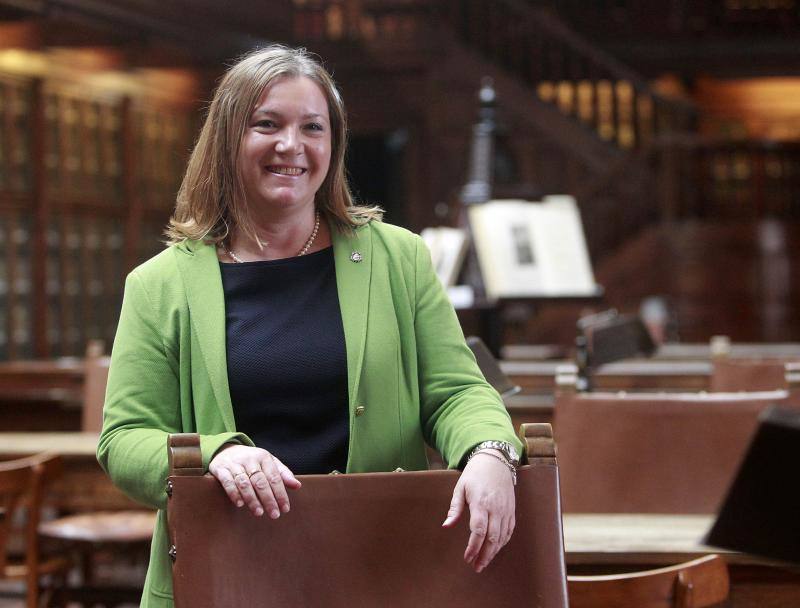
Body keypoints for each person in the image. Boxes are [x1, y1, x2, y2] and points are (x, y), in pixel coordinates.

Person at [97, 44, 523, 608]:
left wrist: (490, 451)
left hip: (377, 566)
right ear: (228, 139)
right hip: (226, 571)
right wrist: (216, 453)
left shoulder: (398, 259)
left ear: (332, 145)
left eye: (312, 128)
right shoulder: (159, 285)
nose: (291, 146)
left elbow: (457, 391)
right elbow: (124, 439)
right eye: (266, 124)